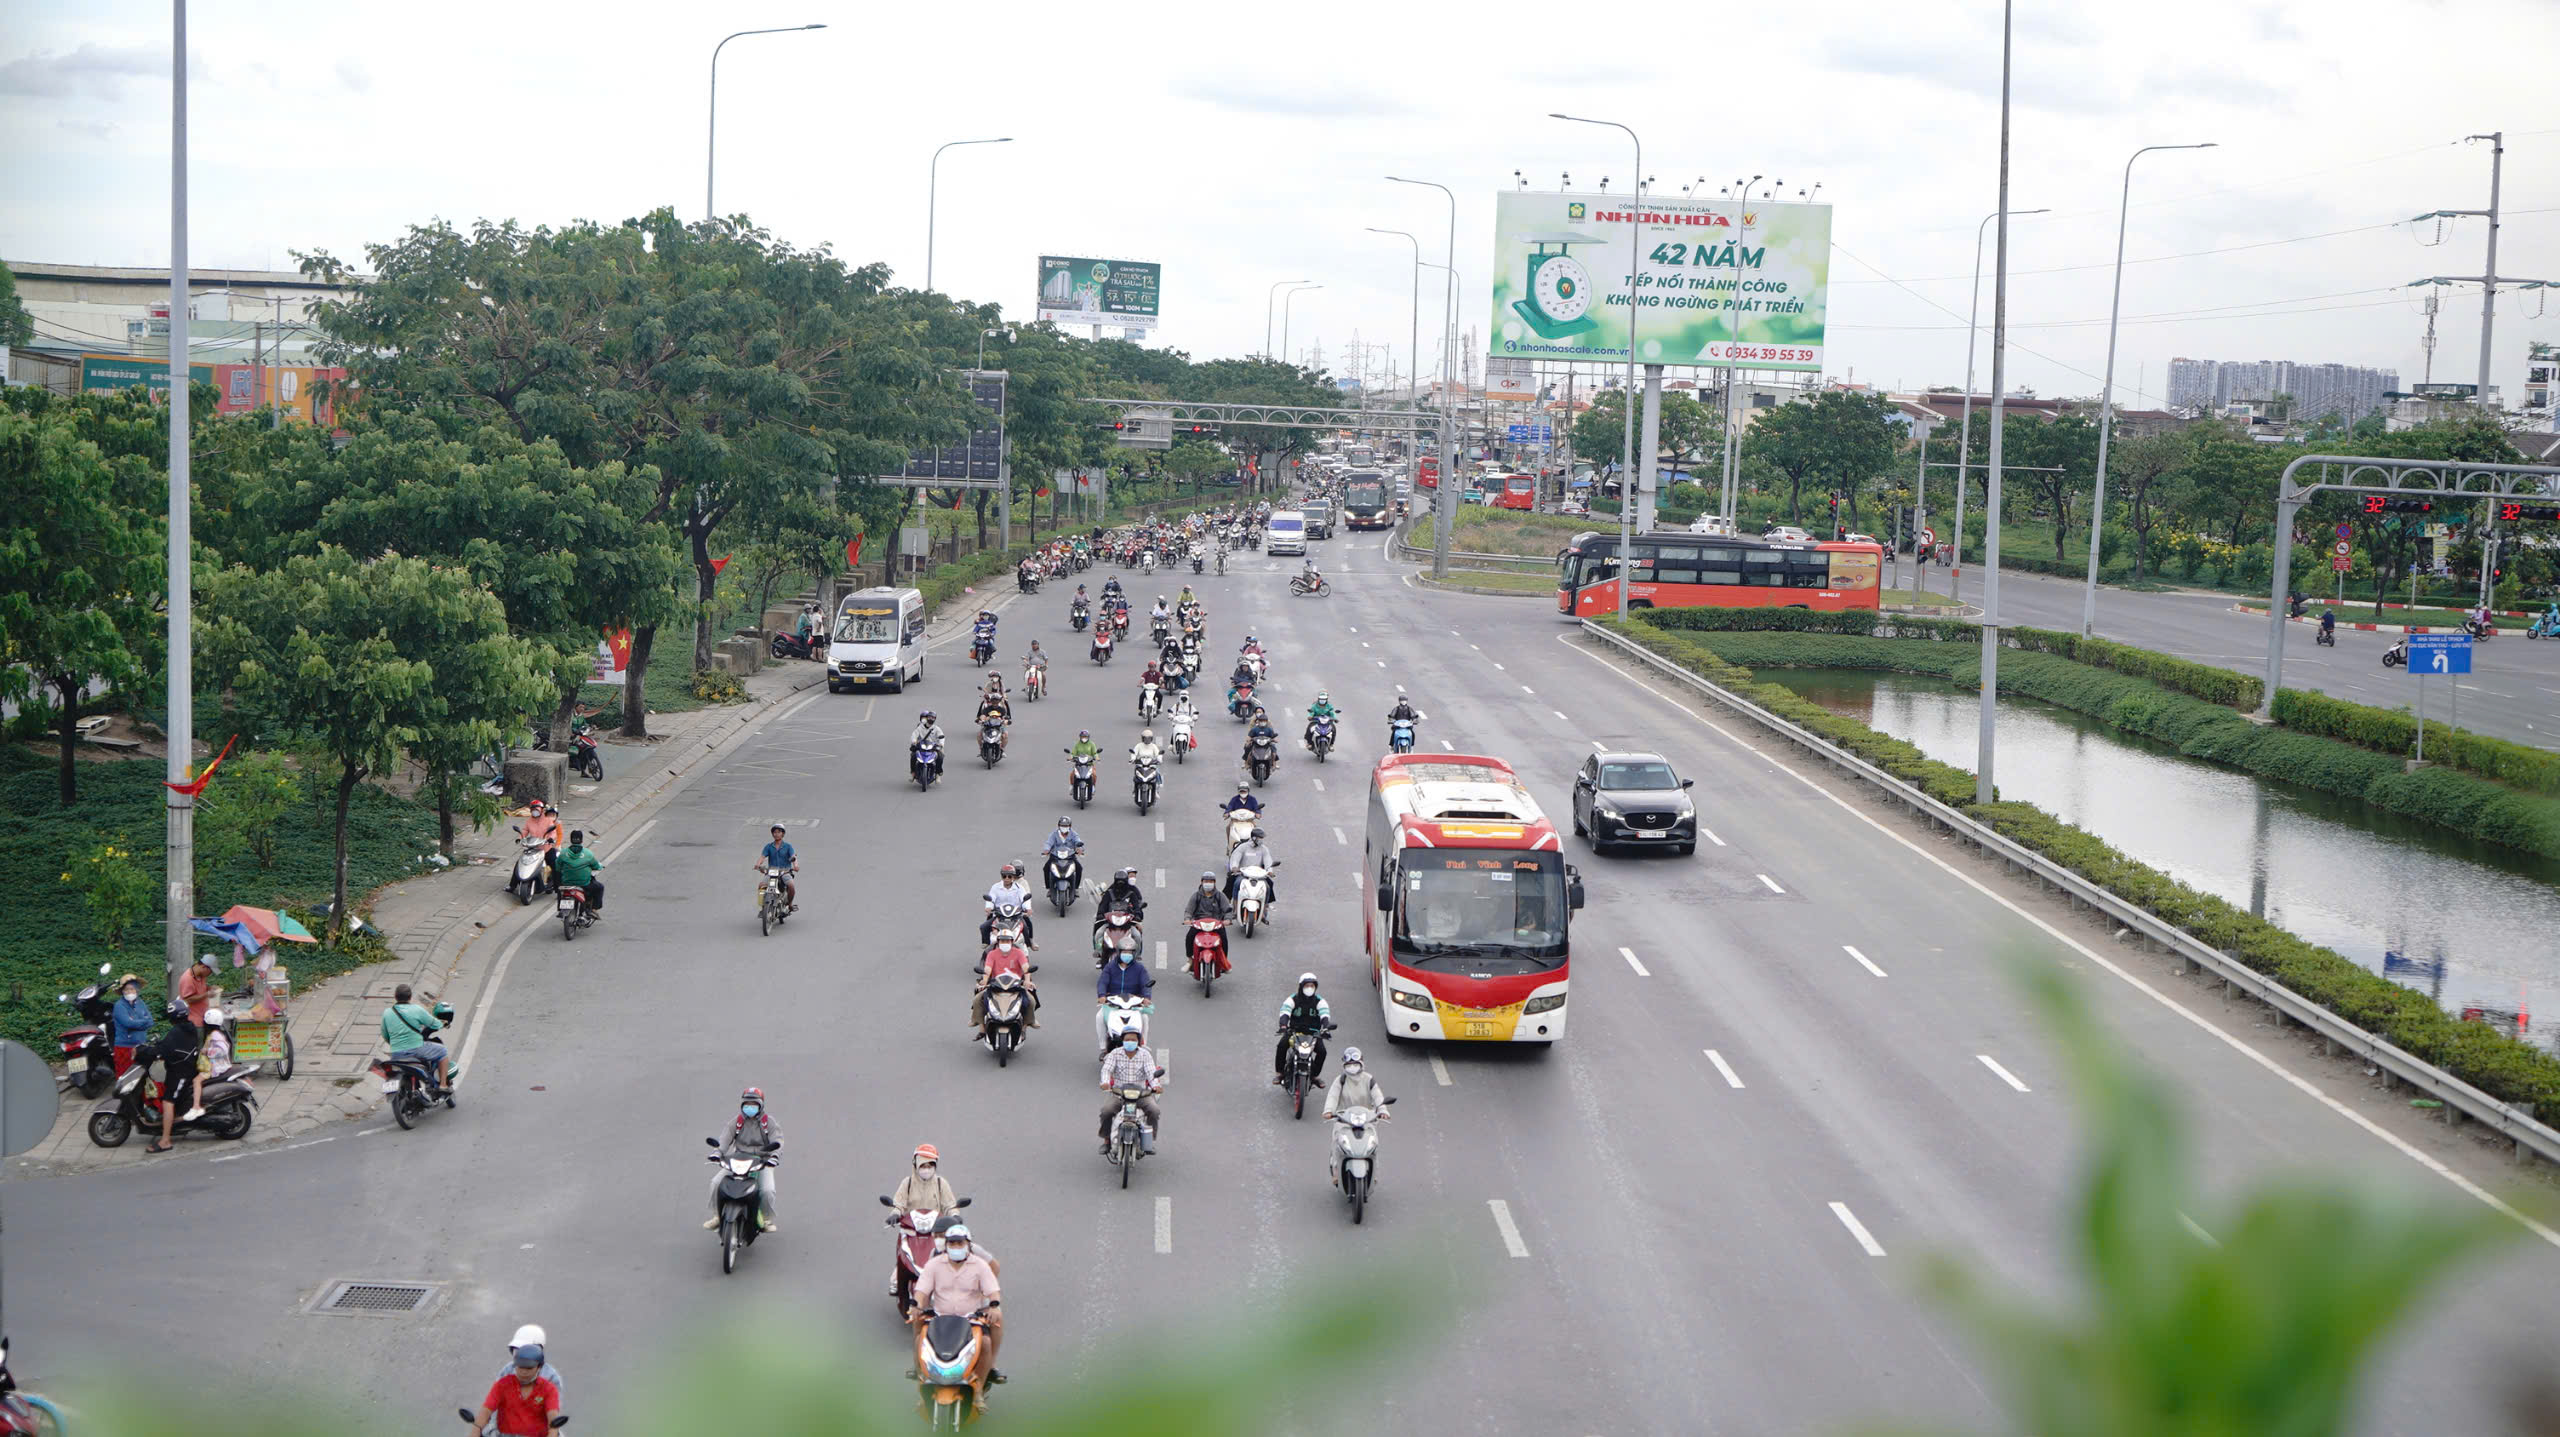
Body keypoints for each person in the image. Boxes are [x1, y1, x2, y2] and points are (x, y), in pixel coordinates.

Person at [908, 1222, 1005, 1397]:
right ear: (946, 1246)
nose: (956, 1247)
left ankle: (979, 1389)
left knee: (985, 1343)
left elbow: (993, 1290)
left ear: (968, 1244)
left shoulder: (980, 1265)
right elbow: (922, 1290)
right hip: (939, 1316)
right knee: (918, 1337)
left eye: (960, 1243)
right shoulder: (934, 1264)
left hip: (970, 1318)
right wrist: (915, 1305)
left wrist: (994, 1306)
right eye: (952, 1243)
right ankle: (921, 1376)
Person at [703, 1087, 783, 1233]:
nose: (750, 1107)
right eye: (747, 1104)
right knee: (716, 1183)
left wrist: (774, 1157)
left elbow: (777, 1141)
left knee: (767, 1190)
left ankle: (765, 1219)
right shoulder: (736, 1122)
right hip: (738, 1159)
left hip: (762, 1161)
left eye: (753, 1104)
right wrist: (717, 1152)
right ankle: (717, 1216)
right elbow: (724, 1140)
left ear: (760, 1105)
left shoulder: (769, 1123)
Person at [465, 1343, 564, 1436]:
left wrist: (552, 1432)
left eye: (529, 1368)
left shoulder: (549, 1389)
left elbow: (553, 1420)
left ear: (539, 1367)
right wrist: (476, 1429)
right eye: (520, 1367)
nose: (523, 1372)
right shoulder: (502, 1385)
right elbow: (486, 1410)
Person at [140, 1001, 198, 1154]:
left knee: (168, 1101)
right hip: (179, 1069)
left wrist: (144, 1051)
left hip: (182, 1073)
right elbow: (167, 1046)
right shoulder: (188, 1028)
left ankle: (165, 1141)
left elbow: (163, 1049)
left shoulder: (177, 1032)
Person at [1098, 1030, 1163, 1155]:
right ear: (1122, 1040)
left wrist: (1156, 1086)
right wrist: (1105, 1082)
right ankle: (1106, 1140)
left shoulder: (1145, 1055)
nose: (1130, 1042)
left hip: (1141, 1094)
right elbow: (1106, 1070)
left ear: (1138, 1041)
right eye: (1127, 1039)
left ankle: (1149, 1140)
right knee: (1106, 1111)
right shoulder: (1115, 1054)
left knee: (1154, 1111)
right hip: (1119, 1094)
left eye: (1133, 1040)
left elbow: (1151, 1073)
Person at [380, 982, 451, 1094]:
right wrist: (443, 1023)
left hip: (396, 1053)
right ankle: (443, 1085)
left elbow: (385, 1034)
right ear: (410, 997)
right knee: (442, 1051)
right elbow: (434, 1024)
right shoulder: (417, 1009)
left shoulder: (387, 1012)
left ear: (395, 996)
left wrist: (395, 1045)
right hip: (416, 1050)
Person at [972, 930, 1040, 1033]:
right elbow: (988, 969)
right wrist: (984, 981)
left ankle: (1027, 1024)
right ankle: (980, 1026)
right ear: (998, 942)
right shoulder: (992, 954)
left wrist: (1027, 981)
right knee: (978, 999)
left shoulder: (1019, 953)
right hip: (996, 984)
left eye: (1007, 941)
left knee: (1030, 1000)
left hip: (1016, 985)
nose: (1004, 943)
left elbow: (1026, 968)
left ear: (1012, 942)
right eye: (1002, 941)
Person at [1273, 973, 1331, 1086]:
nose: (1309, 988)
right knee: (1281, 1046)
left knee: (1322, 1052)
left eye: (1312, 986)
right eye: (1307, 985)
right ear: (1301, 986)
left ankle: (1314, 1076)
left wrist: (1326, 1028)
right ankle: (1280, 1073)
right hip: (1294, 1031)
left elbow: (1325, 1015)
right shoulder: (1293, 999)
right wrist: (1283, 1026)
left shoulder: (1320, 1001)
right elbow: (1285, 1012)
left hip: (1313, 1033)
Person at [1095, 941, 1154, 1049]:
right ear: (1119, 952)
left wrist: (1146, 997)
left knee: (1144, 1018)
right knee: (1099, 1017)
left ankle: (1143, 1045)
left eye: (1130, 952)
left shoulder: (1140, 969)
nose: (1127, 954)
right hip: (1113, 1003)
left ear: (1134, 954)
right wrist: (1102, 995)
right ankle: (1103, 1047)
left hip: (1134, 1003)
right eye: (1124, 952)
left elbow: (1146, 984)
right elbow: (1102, 982)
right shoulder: (1110, 967)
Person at [498, 1325, 565, 1404]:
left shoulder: (551, 1376)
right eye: (516, 1351)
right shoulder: (507, 1370)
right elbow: (495, 1400)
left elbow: (553, 1406)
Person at [1322, 1046, 1388, 1122]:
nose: (1352, 1067)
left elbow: (1378, 1096)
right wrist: (1328, 1110)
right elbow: (1333, 1096)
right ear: (1344, 1066)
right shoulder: (1340, 1080)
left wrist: (1382, 1110)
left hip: (1367, 1120)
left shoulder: (1369, 1079)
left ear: (1361, 1064)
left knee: (1371, 1134)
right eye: (1349, 1065)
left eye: (1355, 1065)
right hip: (1344, 1119)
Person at [189, 1006, 232, 1120]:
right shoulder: (216, 1034)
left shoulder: (214, 1036)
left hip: (214, 1066)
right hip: (215, 1064)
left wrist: (207, 1051)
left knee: (196, 1081)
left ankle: (196, 1106)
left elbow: (223, 1049)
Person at [980, 863, 1037, 949]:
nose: (1006, 879)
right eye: (1004, 876)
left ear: (1013, 877)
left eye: (1009, 876)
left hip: (1016, 916)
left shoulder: (1020, 888)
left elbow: (1024, 900)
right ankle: (987, 943)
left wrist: (1028, 908)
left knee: (1026, 927)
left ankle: (1030, 943)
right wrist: (989, 907)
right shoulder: (995, 887)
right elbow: (991, 898)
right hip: (999, 915)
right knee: (984, 927)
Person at [552, 830, 605, 919]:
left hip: (567, 883)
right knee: (599, 887)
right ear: (582, 840)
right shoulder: (588, 854)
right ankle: (593, 909)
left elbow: (557, 868)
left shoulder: (563, 853)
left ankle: (560, 909)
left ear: (570, 839)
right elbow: (596, 866)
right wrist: (599, 867)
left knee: (560, 891)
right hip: (584, 884)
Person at [109, 972, 150, 1076]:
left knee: (141, 1075)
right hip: (125, 1047)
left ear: (136, 990)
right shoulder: (119, 1006)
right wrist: (142, 1022)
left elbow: (150, 1021)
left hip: (140, 1046)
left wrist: (136, 1023)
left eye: (132, 989)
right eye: (126, 989)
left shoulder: (141, 1003)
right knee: (125, 1076)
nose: (129, 992)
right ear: (122, 991)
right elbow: (127, 1023)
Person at [1227, 826, 1277, 910]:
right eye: (1260, 838)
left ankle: (1265, 906)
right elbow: (1235, 859)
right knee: (1236, 884)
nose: (1261, 839)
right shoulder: (1242, 847)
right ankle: (1235, 907)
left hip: (1258, 875)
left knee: (1268, 885)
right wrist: (1234, 867)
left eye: (1262, 838)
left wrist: (1270, 871)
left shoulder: (1264, 849)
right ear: (1254, 837)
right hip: (1243, 874)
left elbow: (1268, 861)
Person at [518, 798, 563, 890]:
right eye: (533, 810)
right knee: (519, 864)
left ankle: (558, 886)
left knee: (555, 865)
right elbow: (525, 830)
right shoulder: (529, 821)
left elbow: (553, 832)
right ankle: (512, 885)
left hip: (546, 848)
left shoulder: (547, 820)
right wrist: (520, 838)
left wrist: (550, 839)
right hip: (533, 848)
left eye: (537, 810)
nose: (535, 812)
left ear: (542, 810)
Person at [756, 823, 798, 914]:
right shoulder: (769, 846)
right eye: (774, 832)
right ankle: (763, 908)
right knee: (761, 886)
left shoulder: (788, 846)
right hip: (772, 872)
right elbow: (762, 857)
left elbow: (793, 857)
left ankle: (790, 904)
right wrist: (758, 864)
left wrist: (795, 866)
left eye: (779, 832)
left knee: (791, 886)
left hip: (785, 872)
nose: (776, 834)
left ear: (782, 834)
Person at [1094, 866, 1148, 932]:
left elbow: (1137, 906)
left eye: (1123, 881)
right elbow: (1103, 905)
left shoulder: (1132, 893)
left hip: (1128, 921)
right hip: (1110, 921)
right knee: (1099, 932)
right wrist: (1100, 914)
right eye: (1118, 881)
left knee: (1137, 934)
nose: (1120, 884)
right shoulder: (1109, 893)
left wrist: (1137, 916)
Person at [1042, 817, 1085, 892]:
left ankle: (1075, 888)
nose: (1064, 827)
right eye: (1062, 826)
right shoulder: (1054, 834)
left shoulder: (1073, 834)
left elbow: (1078, 841)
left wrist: (1080, 848)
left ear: (1070, 826)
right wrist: (1046, 849)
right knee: (1046, 868)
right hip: (1055, 856)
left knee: (1079, 868)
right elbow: (1049, 842)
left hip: (1070, 856)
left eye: (1066, 826)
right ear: (1058, 826)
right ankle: (1048, 887)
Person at [909, 710, 948, 782]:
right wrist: (914, 741)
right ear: (927, 718)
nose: (931, 719)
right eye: (929, 717)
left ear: (935, 719)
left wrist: (941, 744)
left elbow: (942, 737)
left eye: (933, 718)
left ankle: (937, 774)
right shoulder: (920, 727)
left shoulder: (936, 728)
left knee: (940, 756)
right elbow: (914, 734)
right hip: (922, 746)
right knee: (913, 756)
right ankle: (913, 773)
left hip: (932, 747)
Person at [178, 953, 213, 1026]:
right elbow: (188, 999)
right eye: (211, 971)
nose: (210, 974)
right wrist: (207, 994)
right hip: (193, 1021)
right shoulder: (187, 978)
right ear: (204, 967)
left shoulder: (201, 975)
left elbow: (198, 989)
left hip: (202, 1015)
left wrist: (208, 988)